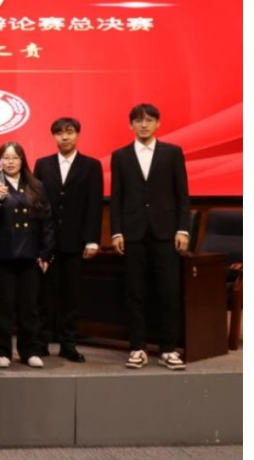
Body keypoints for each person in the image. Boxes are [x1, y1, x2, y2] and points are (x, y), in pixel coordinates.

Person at [110, 103, 191, 370]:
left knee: (168, 291)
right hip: (132, 233)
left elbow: (182, 194)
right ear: (130, 125)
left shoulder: (172, 153)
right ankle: (137, 348)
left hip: (165, 233)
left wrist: (183, 229)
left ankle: (168, 349)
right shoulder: (120, 156)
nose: (143, 125)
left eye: (149, 120)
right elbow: (117, 197)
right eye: (138, 120)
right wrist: (117, 231)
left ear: (158, 123)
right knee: (134, 293)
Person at [32, 117, 104, 363]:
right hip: (48, 242)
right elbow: (37, 204)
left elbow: (94, 205)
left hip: (76, 242)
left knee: (71, 296)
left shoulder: (91, 166)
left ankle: (68, 344)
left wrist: (92, 240)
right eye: (59, 133)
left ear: (78, 135)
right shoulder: (43, 165)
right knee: (45, 295)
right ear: (53, 136)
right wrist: (38, 242)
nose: (64, 137)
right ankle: (41, 343)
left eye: (69, 132)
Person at [0, 142, 55, 368]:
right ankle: (1, 351)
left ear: (22, 161)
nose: (10, 162)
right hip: (2, 256)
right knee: (3, 306)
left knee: (29, 307)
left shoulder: (36, 186)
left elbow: (47, 221)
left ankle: (30, 350)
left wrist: (45, 253)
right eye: (6, 157)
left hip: (30, 256)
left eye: (15, 157)